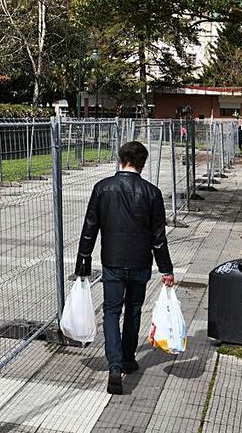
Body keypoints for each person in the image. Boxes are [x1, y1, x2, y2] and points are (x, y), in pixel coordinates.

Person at [74, 140, 174, 395]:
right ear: (142, 163)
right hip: (140, 261)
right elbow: (158, 237)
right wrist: (166, 269)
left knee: (110, 311)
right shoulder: (152, 193)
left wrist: (83, 259)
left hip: (112, 261)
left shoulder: (102, 188)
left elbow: (90, 227)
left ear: (121, 160)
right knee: (134, 310)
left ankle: (114, 364)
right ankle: (128, 358)